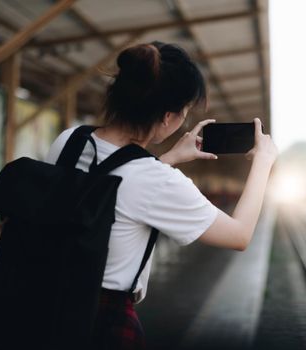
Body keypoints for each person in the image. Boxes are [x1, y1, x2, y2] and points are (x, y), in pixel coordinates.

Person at [44, 41, 277, 349]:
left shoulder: (69, 140)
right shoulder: (158, 181)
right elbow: (239, 235)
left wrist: (167, 158)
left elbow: (109, 189)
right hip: (99, 323)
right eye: (184, 113)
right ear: (168, 117)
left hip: (43, 304)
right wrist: (262, 163)